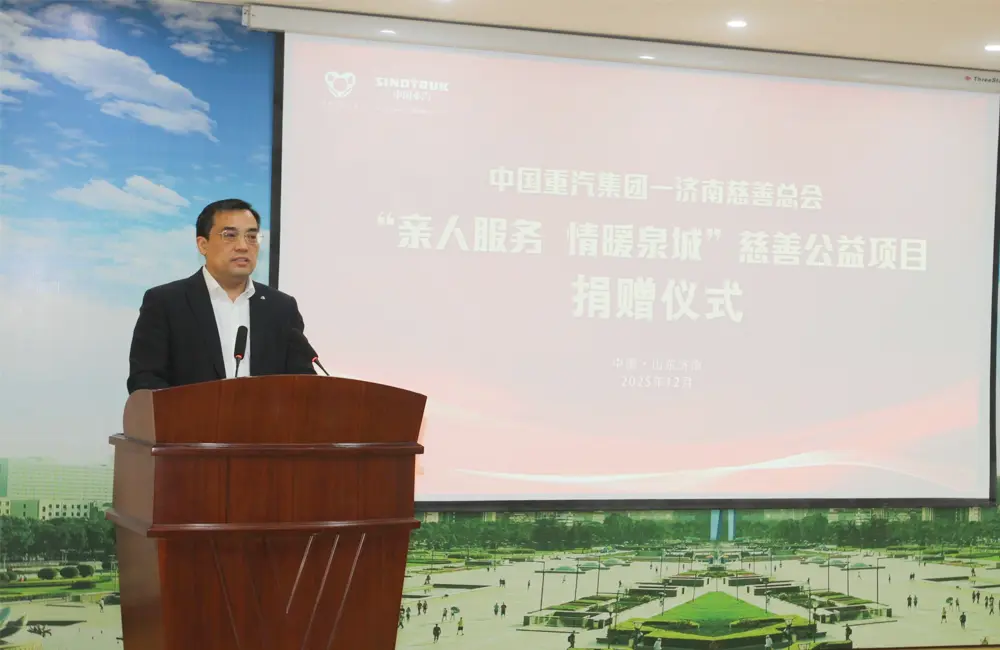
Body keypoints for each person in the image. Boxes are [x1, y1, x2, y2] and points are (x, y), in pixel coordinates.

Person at [127, 199, 317, 393]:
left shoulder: (281, 307)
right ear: (203, 245)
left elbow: (302, 382)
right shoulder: (166, 302)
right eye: (230, 235)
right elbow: (145, 381)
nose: (243, 246)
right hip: (192, 414)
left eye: (252, 237)